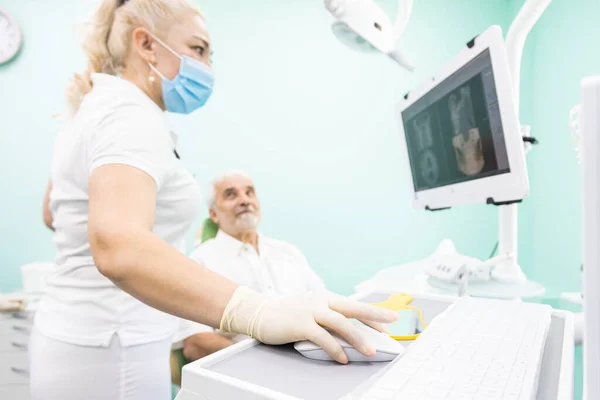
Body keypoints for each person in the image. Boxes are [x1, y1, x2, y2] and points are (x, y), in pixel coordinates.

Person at [30, 1, 397, 399]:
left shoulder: (96, 109)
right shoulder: (130, 115)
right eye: (198, 49)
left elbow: (55, 213)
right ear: (147, 45)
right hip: (113, 347)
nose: (206, 68)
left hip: (85, 338)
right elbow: (118, 247)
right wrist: (260, 313)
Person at [173, 171, 326, 365]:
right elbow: (196, 342)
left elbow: (323, 305)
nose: (244, 200)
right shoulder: (199, 262)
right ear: (213, 214)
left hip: (311, 360)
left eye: (250, 192)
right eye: (231, 194)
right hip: (246, 371)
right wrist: (269, 363)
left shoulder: (288, 252)